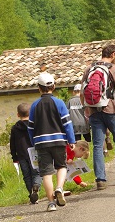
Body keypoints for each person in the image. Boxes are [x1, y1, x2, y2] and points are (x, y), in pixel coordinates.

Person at [80, 44, 115, 190]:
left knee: (98, 145)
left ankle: (100, 180)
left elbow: (81, 93)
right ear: (113, 55)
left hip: (94, 111)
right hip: (111, 110)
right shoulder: (113, 69)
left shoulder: (89, 69)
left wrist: (87, 109)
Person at [28, 72, 76, 212]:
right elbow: (67, 124)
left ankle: (51, 203)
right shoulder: (59, 103)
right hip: (59, 141)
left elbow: (30, 128)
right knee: (61, 166)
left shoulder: (34, 106)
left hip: (41, 143)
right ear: (53, 86)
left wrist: (34, 143)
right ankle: (59, 188)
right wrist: (71, 140)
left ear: (39, 88)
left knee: (46, 173)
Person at [10, 102, 42, 204]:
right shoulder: (35, 125)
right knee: (37, 172)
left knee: (27, 175)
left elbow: (12, 144)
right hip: (35, 152)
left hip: (22, 155)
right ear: (31, 113)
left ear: (18, 115)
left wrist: (14, 157)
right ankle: (36, 187)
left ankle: (31, 194)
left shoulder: (15, 128)